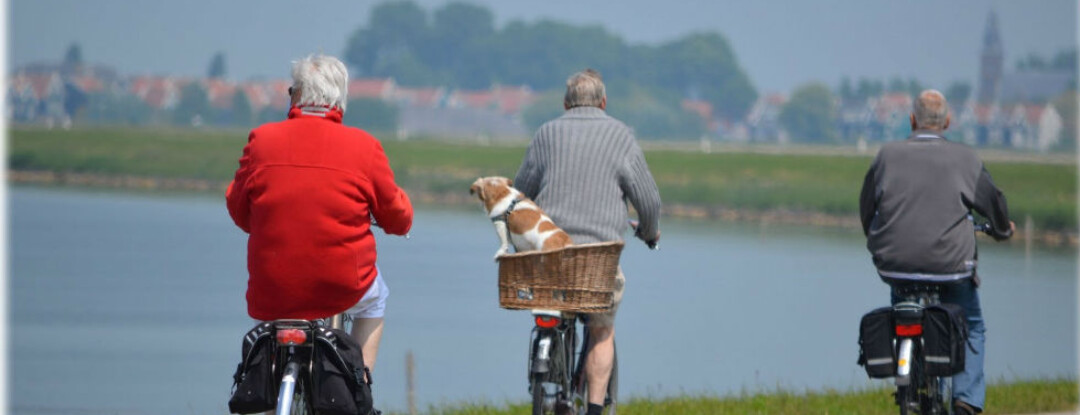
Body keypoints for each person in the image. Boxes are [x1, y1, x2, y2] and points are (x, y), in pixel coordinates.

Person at [226, 54, 413, 387]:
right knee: (376, 299)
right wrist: (398, 220)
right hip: (342, 284)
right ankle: (359, 385)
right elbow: (397, 217)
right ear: (339, 98)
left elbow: (240, 211)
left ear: (295, 95)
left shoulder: (261, 140)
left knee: (272, 331)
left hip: (272, 285)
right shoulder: (364, 147)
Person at [514, 68, 661, 415]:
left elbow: (520, 194)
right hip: (598, 261)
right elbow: (649, 201)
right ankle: (594, 409)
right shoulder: (621, 136)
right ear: (604, 103)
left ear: (566, 104)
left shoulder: (546, 133)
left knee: (552, 308)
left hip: (550, 258)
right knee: (601, 329)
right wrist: (649, 231)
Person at [859, 90, 1014, 415]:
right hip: (952, 268)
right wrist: (1002, 230)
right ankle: (967, 401)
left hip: (896, 266)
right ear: (947, 122)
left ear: (912, 120)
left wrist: (877, 239)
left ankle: (909, 372)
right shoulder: (966, 159)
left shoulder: (886, 155)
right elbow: (994, 204)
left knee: (902, 306)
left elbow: (867, 206)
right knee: (971, 324)